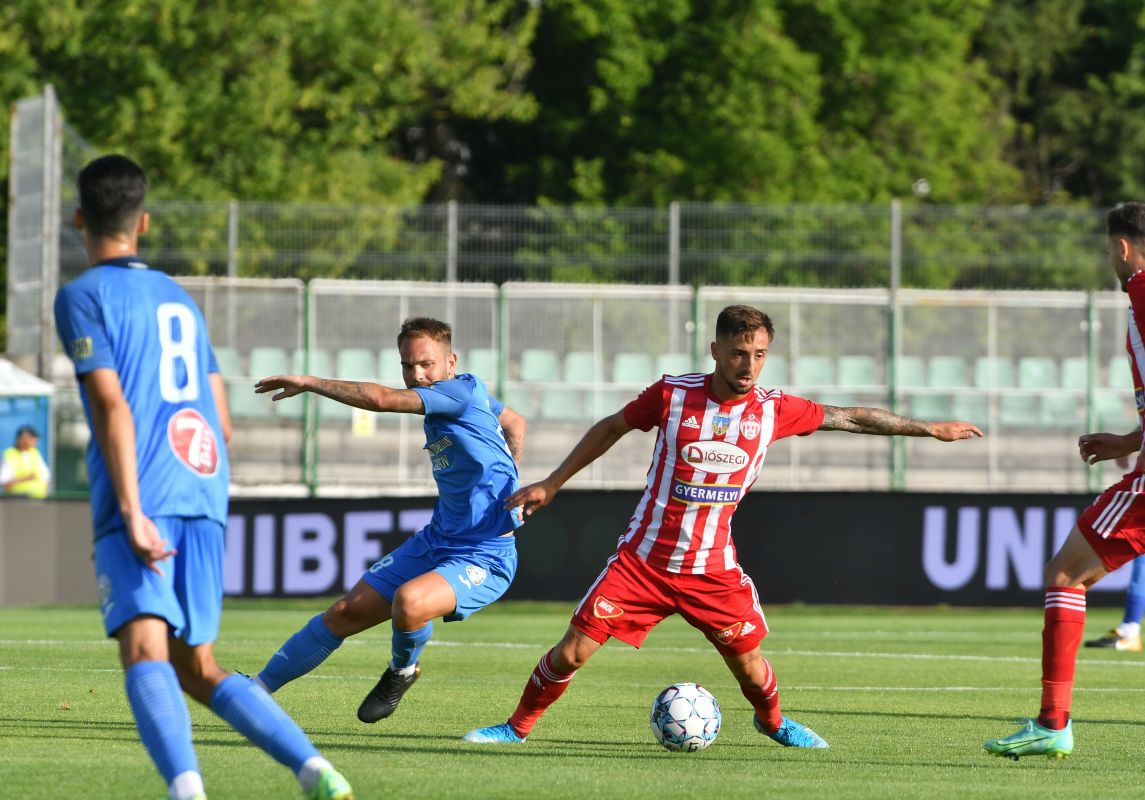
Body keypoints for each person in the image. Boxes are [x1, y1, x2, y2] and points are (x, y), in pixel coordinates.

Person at [462, 304, 982, 747]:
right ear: (715, 350)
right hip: (643, 562)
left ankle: (773, 722)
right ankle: (516, 727)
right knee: (573, 648)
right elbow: (612, 427)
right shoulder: (672, 395)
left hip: (712, 570)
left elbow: (851, 417)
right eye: (739, 353)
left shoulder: (774, 410)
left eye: (759, 354)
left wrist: (928, 428)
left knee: (751, 668)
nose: (749, 365)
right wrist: (553, 482)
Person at [54, 155, 353, 800]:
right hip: (203, 486)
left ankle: (187, 792)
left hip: (147, 490)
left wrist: (132, 509)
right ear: (145, 221)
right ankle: (317, 771)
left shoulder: (82, 296)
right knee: (199, 665)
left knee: (144, 650)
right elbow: (222, 418)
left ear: (79, 218)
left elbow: (111, 404)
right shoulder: (178, 298)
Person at [984, 202, 1145, 761]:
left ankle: (1052, 722)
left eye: (1109, 249)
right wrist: (1132, 440)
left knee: (1064, 574)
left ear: (1123, 248)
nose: (1109, 258)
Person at [252, 317, 525, 725]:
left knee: (410, 602)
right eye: (407, 366)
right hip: (437, 540)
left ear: (451, 361)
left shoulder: (457, 393)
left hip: (485, 555)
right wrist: (513, 481)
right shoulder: (474, 390)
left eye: (426, 365)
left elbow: (380, 400)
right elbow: (515, 422)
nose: (417, 375)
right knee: (344, 612)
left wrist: (310, 382)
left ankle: (402, 671)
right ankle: (255, 691)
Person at [1, 424, 50, 498]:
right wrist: (26, 478)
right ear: (22, 439)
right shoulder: (9, 455)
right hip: (18, 501)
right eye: (32, 438)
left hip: (39, 500)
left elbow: (45, 477)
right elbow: (4, 484)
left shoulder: (34, 453)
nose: (35, 440)